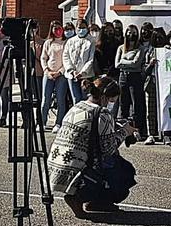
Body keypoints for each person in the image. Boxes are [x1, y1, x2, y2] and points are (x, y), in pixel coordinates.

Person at [49, 76, 137, 218]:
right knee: (124, 171)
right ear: (104, 97)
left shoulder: (77, 106)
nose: (111, 104)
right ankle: (81, 196)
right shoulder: (103, 114)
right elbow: (108, 149)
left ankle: (96, 200)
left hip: (57, 165)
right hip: (79, 170)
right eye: (112, 101)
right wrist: (125, 132)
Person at [116, 25, 149, 142]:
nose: (131, 35)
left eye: (134, 32)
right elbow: (117, 64)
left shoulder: (140, 48)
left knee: (136, 105)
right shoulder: (121, 48)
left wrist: (123, 61)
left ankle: (138, 130)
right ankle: (123, 131)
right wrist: (127, 62)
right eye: (129, 32)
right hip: (123, 77)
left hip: (135, 77)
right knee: (123, 104)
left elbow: (136, 64)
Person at [41, 21, 69, 132]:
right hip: (48, 73)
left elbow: (67, 59)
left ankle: (58, 123)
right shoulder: (48, 42)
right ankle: (42, 122)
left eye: (59, 28)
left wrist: (60, 72)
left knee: (60, 99)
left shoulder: (66, 42)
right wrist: (46, 70)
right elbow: (43, 58)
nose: (57, 30)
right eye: (54, 28)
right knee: (45, 99)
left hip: (61, 74)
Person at [143, 28, 168, 145]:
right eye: (156, 37)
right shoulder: (149, 52)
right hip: (151, 83)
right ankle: (151, 134)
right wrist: (150, 64)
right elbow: (143, 71)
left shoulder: (168, 50)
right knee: (151, 110)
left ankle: (166, 133)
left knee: (165, 109)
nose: (158, 40)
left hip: (165, 83)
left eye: (160, 37)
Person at [63, 19, 96, 105]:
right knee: (76, 99)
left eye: (83, 27)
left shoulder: (91, 41)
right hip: (72, 75)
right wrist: (72, 70)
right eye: (79, 27)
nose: (81, 30)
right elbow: (66, 56)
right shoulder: (70, 41)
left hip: (86, 75)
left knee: (86, 99)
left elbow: (91, 59)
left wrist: (82, 72)